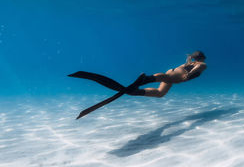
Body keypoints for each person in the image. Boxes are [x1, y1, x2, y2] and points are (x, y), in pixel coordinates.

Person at [68, 51, 207, 119]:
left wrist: (189, 61)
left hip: (172, 74)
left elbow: (190, 64)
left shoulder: (189, 62)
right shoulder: (200, 64)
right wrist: (190, 74)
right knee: (166, 78)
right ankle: (145, 79)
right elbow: (198, 68)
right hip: (175, 76)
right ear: (201, 58)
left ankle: (136, 91)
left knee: (160, 93)